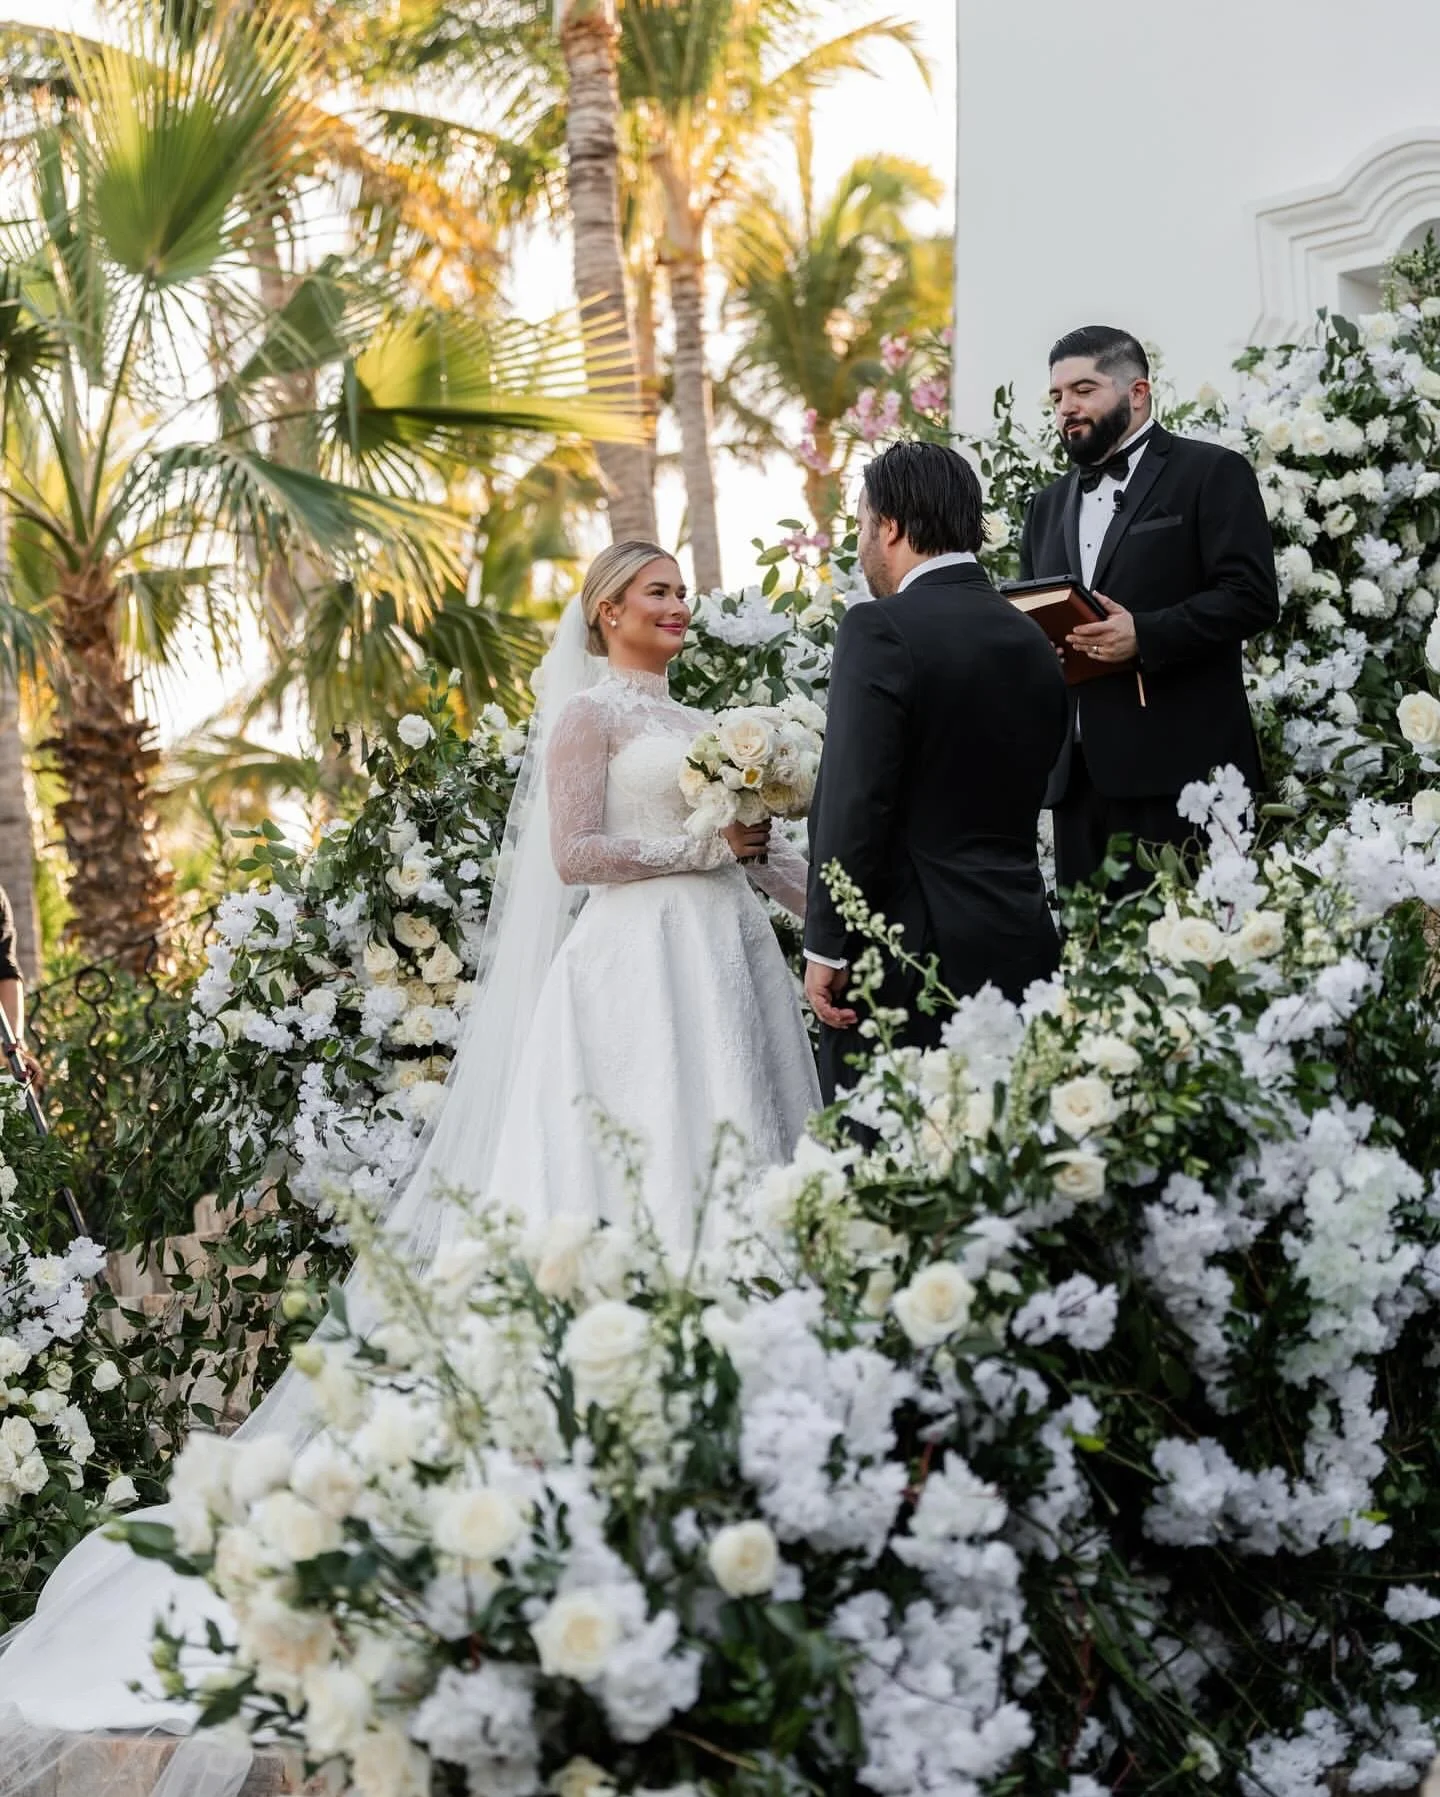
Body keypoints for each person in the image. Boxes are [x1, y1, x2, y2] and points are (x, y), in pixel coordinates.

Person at [0, 545, 822, 1797]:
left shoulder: (716, 723)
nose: (679, 605)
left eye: (680, 592)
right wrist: (706, 853)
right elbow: (578, 856)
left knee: (739, 1158)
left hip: (724, 965)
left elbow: (748, 852)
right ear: (608, 610)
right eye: (657, 590)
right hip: (624, 977)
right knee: (628, 1179)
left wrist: (797, 885)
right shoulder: (588, 714)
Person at [803, 440, 1069, 1102]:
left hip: (907, 955)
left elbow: (853, 801)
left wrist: (828, 947)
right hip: (1021, 940)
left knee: (890, 1162)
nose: (862, 544)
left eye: (863, 524)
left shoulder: (880, 629)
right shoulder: (1030, 637)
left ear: (890, 525)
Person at [1020, 325, 1279, 894]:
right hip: (1076, 783)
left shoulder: (1212, 473)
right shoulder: (1044, 507)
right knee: (1089, 968)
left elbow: (1254, 597)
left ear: (1137, 392)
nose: (1067, 408)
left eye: (1083, 389)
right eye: (1057, 397)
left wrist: (1147, 634)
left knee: (1192, 961)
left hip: (1183, 774)